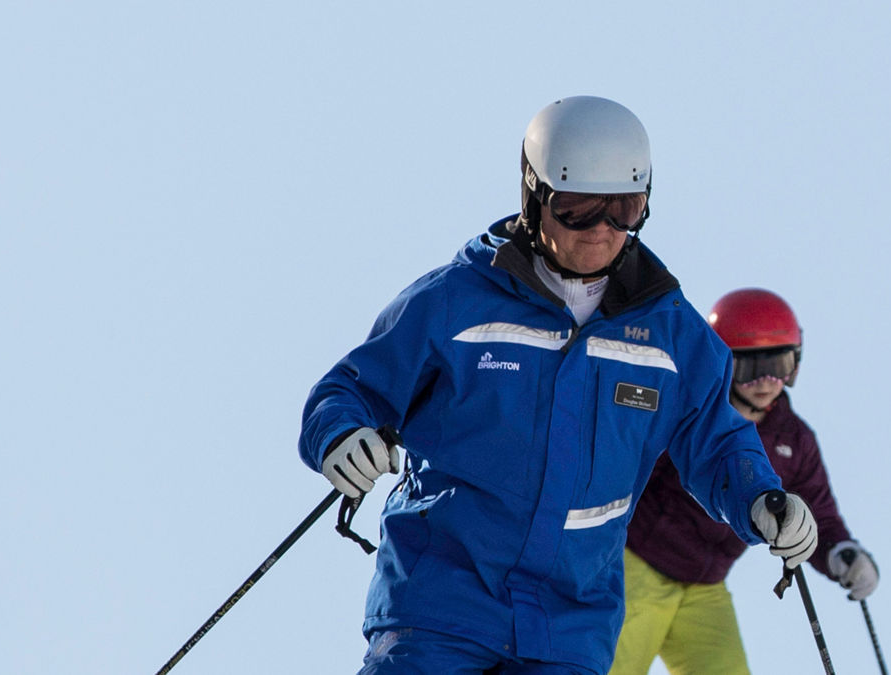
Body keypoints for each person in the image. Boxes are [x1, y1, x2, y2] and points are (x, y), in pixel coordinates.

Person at [298, 95, 816, 675]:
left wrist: (761, 498)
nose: (601, 229)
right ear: (535, 195)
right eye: (577, 207)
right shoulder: (455, 303)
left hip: (572, 622)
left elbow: (717, 441)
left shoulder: (670, 336)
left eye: (622, 207)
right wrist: (341, 435)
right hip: (441, 603)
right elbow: (350, 390)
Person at [608, 288, 877, 675]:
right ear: (723, 362)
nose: (765, 381)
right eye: (750, 368)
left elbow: (819, 513)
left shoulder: (794, 440)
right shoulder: (692, 414)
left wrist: (841, 553)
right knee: (605, 664)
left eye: (779, 363)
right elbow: (626, 463)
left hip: (706, 589)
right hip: (638, 570)